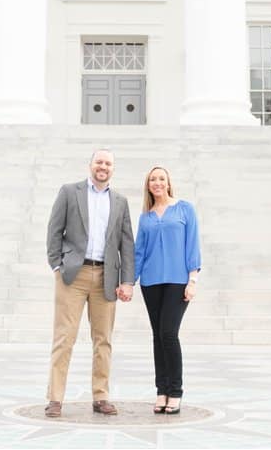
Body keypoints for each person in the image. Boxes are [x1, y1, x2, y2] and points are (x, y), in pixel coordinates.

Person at [44, 148, 135, 418]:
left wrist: (127, 280)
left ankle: (101, 396)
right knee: (64, 337)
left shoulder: (119, 201)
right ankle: (55, 398)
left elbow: (126, 244)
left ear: (113, 168)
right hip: (73, 275)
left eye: (108, 163)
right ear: (91, 165)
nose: (103, 166)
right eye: (99, 162)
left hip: (106, 277)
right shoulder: (69, 192)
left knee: (103, 340)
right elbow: (54, 230)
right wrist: (57, 265)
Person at [133, 165, 201, 415]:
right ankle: (161, 390)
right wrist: (129, 281)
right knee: (157, 337)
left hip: (177, 281)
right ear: (148, 185)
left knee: (169, 334)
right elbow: (139, 251)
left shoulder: (184, 209)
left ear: (169, 182)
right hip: (151, 282)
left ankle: (175, 391)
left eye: (161, 178)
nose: (157, 183)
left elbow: (192, 243)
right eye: (153, 179)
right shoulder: (146, 216)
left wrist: (193, 280)